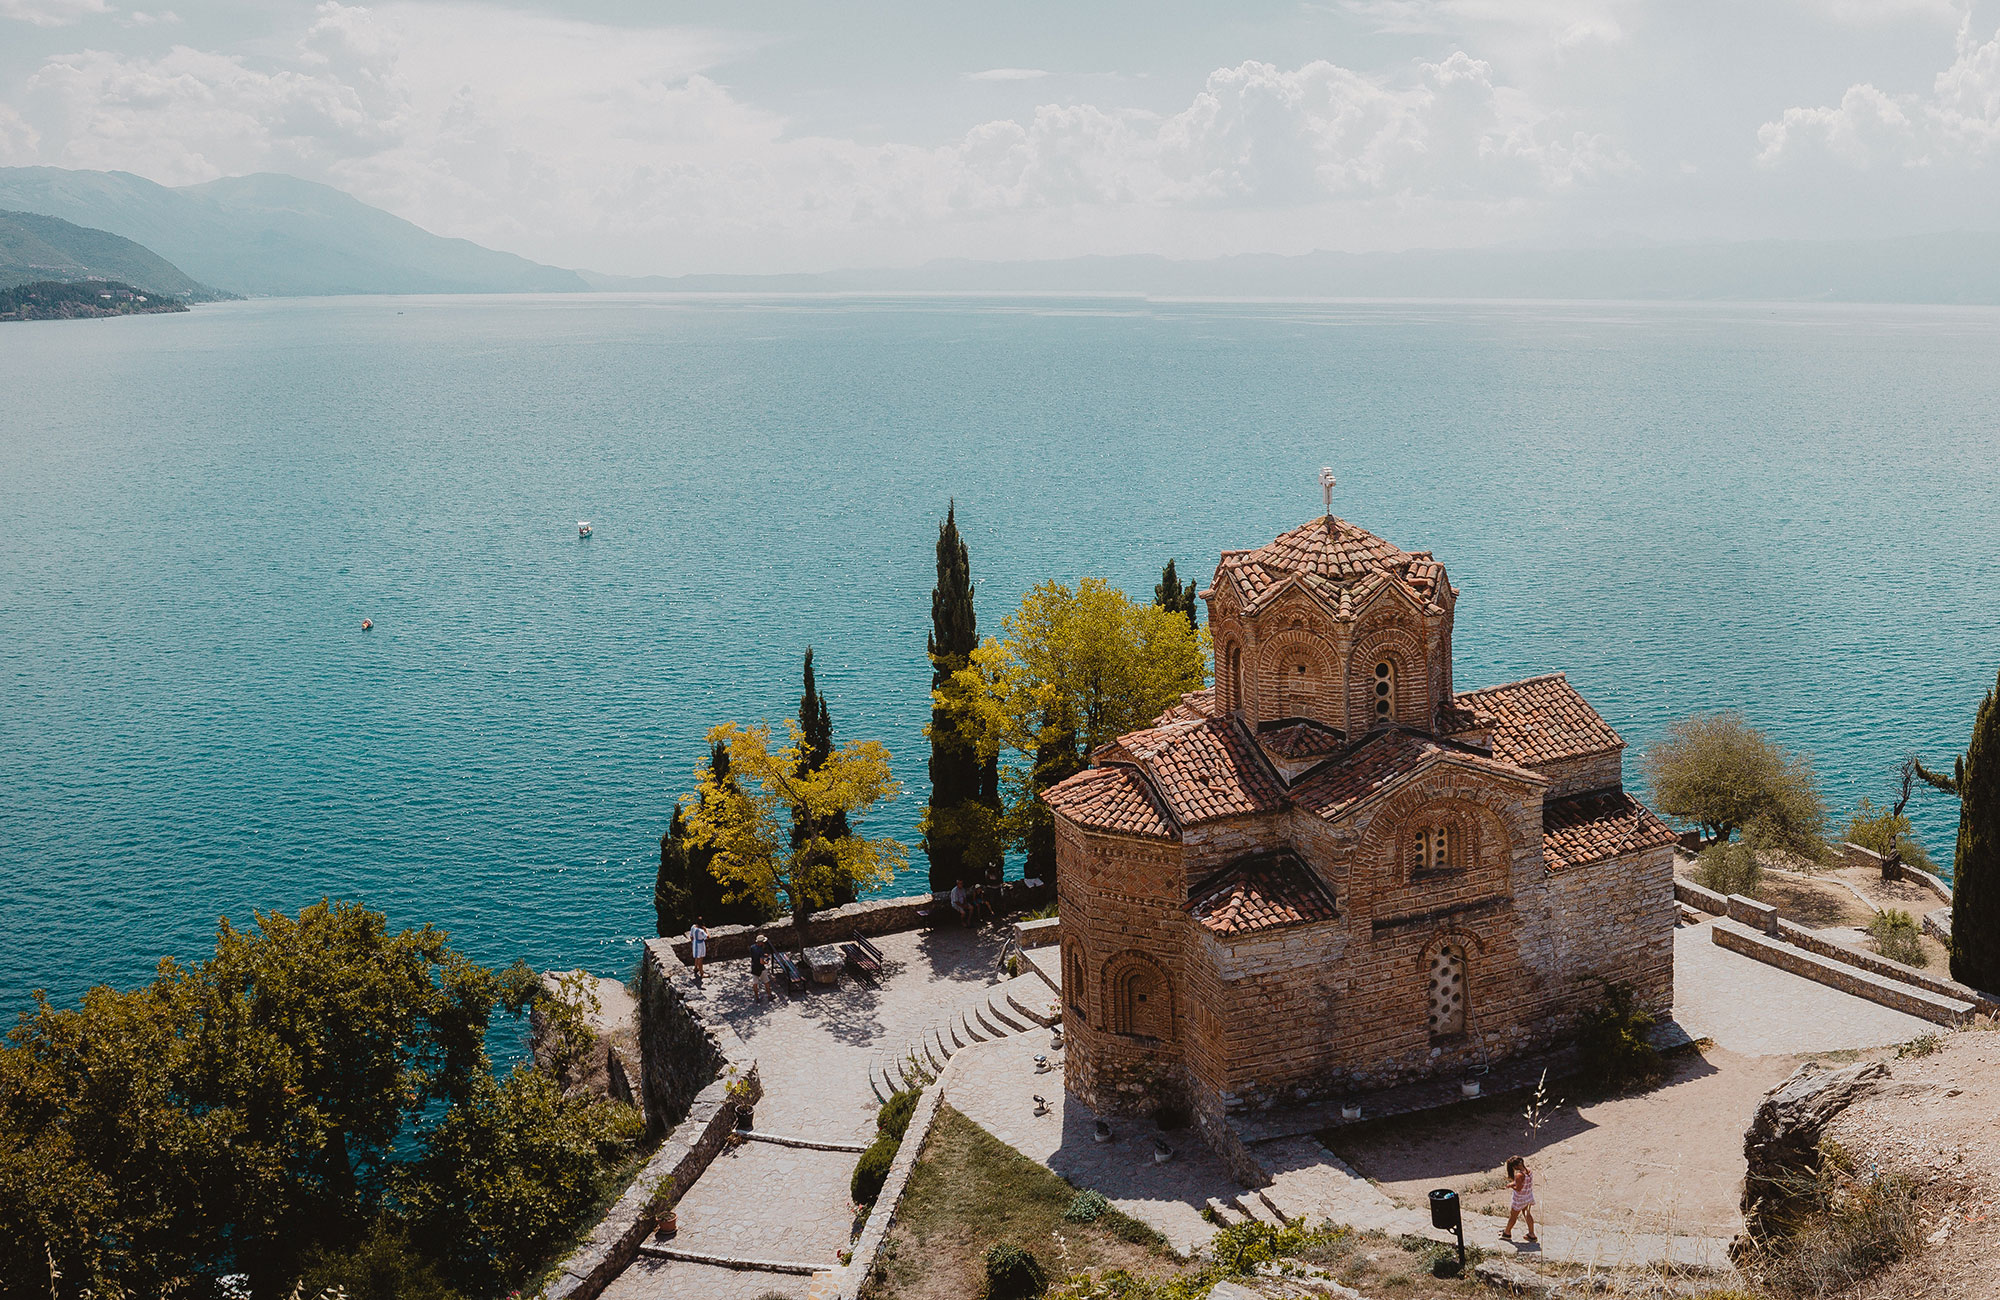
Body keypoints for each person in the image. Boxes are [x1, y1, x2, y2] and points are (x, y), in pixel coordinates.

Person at [1500, 1156, 1538, 1244]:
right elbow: (1523, 1182)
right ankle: (1531, 1234)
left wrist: (1511, 1186)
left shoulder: (1519, 1175)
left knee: (1513, 1216)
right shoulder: (1529, 1170)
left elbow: (1518, 1188)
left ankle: (1507, 1233)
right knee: (1527, 1214)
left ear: (1515, 1166)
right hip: (1528, 1197)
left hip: (1519, 1199)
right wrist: (1513, 1183)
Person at [749, 932, 773, 1003]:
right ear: (761, 942)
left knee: (755, 983)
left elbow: (755, 955)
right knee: (766, 982)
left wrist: (763, 955)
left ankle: (757, 998)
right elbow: (761, 962)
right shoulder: (761, 950)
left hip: (754, 967)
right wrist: (766, 962)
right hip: (761, 968)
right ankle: (769, 995)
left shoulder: (752, 947)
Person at [687, 917, 708, 987]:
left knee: (696, 956)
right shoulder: (701, 931)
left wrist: (693, 942)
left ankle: (696, 967)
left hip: (695, 943)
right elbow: (707, 937)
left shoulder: (693, 927)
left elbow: (691, 936)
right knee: (700, 958)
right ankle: (702, 973)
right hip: (700, 944)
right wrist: (705, 930)